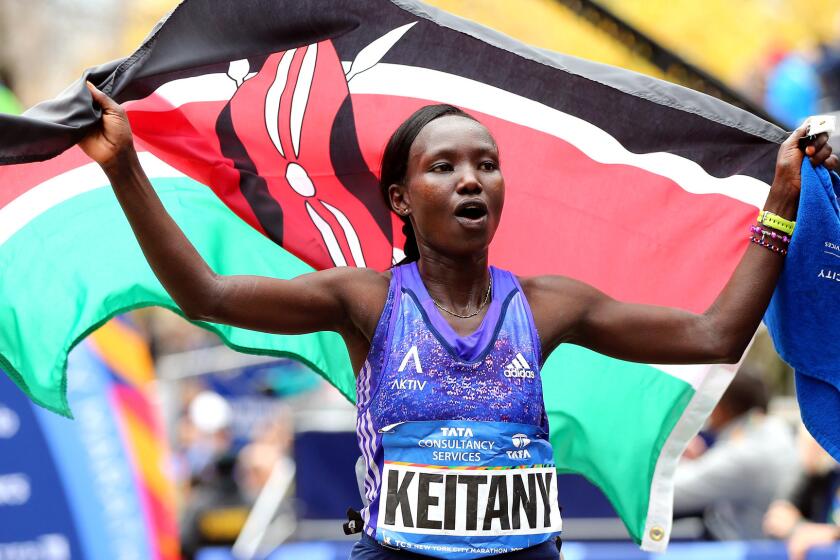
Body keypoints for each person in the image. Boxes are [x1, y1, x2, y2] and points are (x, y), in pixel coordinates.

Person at [78, 80, 836, 559]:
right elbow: (208, 294)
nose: (471, 179)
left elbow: (713, 336)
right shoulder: (364, 300)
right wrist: (123, 168)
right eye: (443, 167)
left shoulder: (547, 305)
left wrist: (781, 203)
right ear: (401, 200)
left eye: (486, 163)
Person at [672, 368, 799, 540]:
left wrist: (672, 458)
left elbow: (667, 493)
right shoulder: (773, 429)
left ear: (722, 407)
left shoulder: (745, 454)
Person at [764, 429, 840, 560]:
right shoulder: (816, 472)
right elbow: (777, 519)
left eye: (818, 445)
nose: (812, 451)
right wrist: (802, 529)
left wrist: (833, 534)